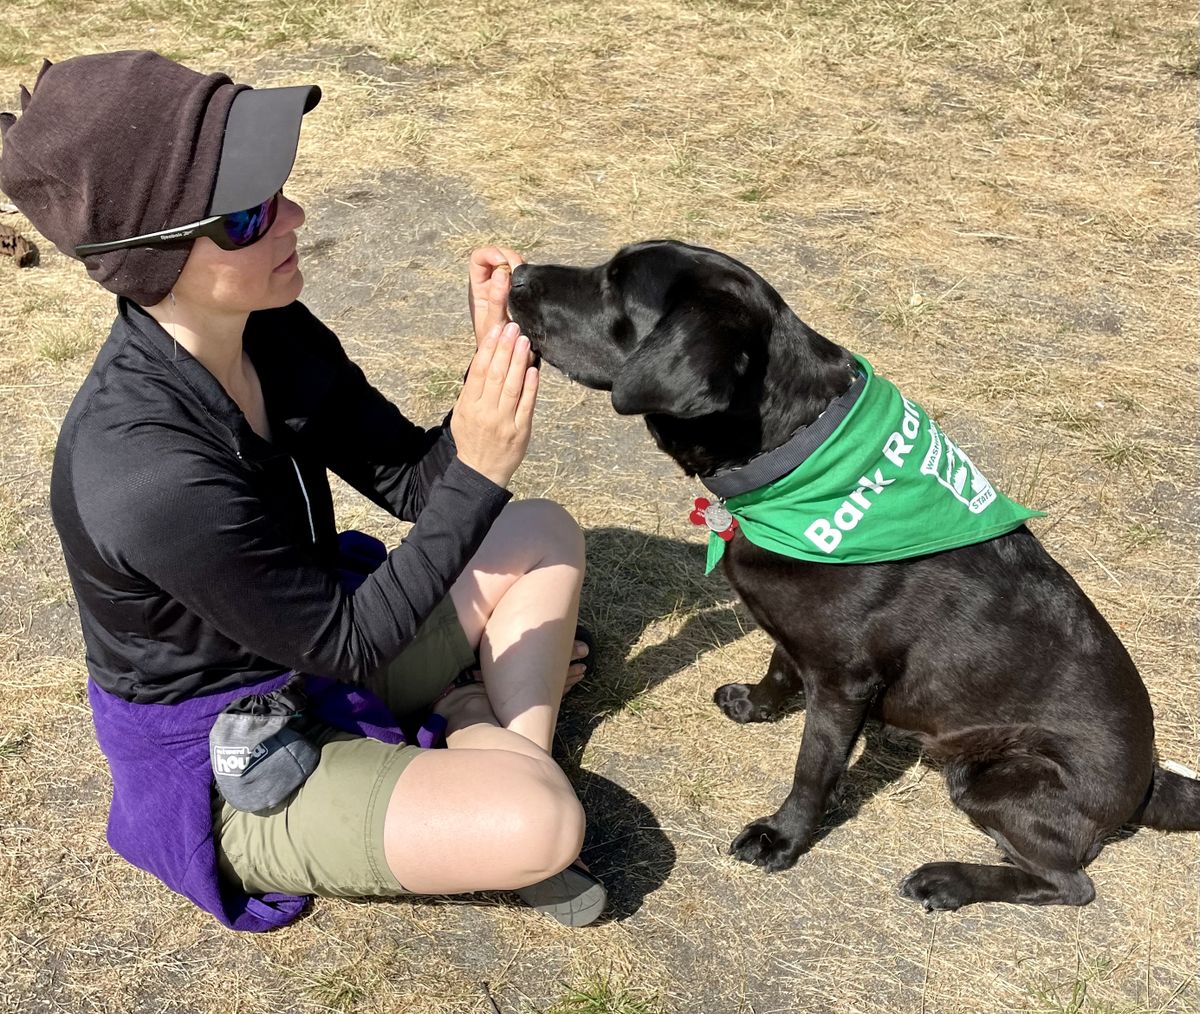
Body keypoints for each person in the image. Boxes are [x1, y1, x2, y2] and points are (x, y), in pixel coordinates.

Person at [0, 50, 606, 930]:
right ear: (151, 257)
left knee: (543, 531)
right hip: (234, 741)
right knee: (541, 820)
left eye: (277, 188)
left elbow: (407, 481)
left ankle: (495, 749)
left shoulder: (267, 326)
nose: (293, 216)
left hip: (318, 634)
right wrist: (477, 470)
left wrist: (490, 366)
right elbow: (349, 644)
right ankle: (494, 755)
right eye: (247, 215)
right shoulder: (144, 472)